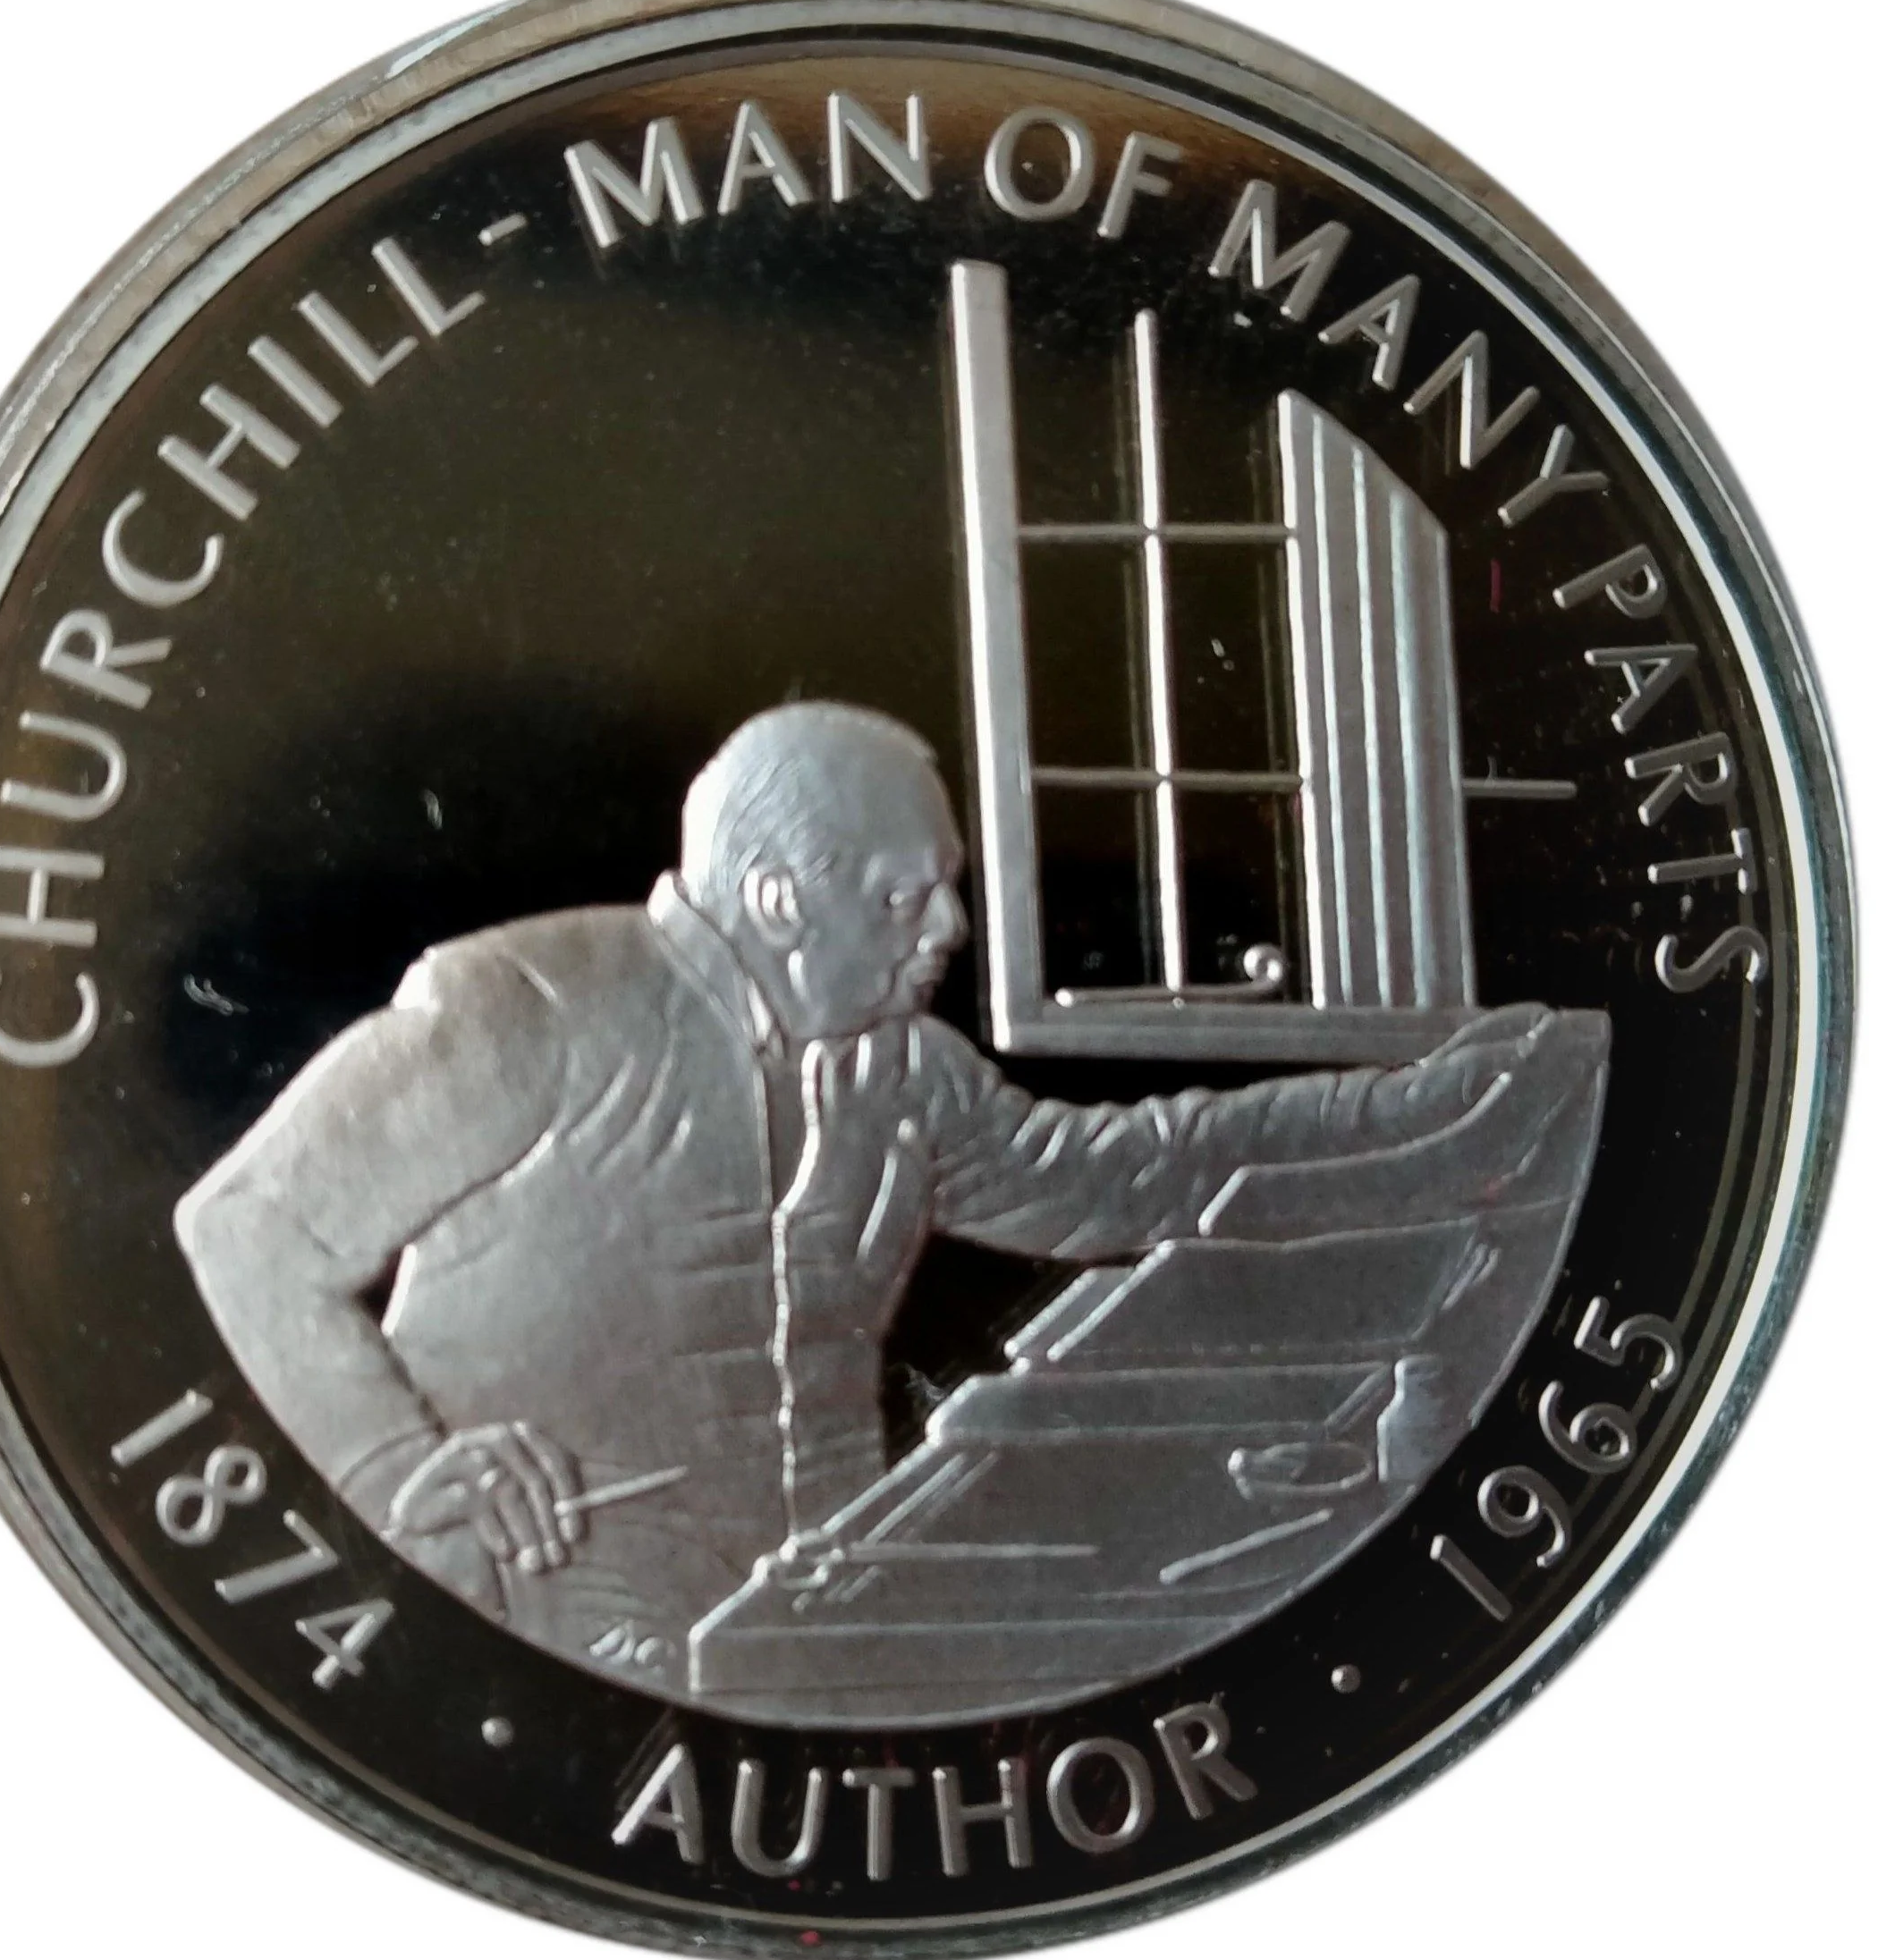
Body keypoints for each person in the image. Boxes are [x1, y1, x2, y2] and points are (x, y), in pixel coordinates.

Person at [175, 701, 1546, 1688]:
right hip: (561, 1618)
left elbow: (1131, 1174)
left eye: (946, 892)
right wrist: (396, 1469)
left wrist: (1413, 1110)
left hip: (826, 1620)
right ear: (779, 899)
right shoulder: (533, 1005)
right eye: (906, 899)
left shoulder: (902, 1073)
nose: (950, 930)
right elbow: (248, 1225)